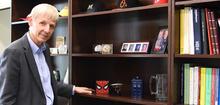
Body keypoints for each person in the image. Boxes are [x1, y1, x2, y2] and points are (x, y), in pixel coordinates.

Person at [0, 3, 94, 105]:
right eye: (42, 23)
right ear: (30, 22)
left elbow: (47, 83)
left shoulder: (45, 49)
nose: (47, 30)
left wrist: (73, 89)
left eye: (51, 26)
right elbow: (6, 100)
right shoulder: (13, 52)